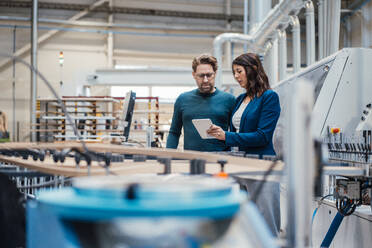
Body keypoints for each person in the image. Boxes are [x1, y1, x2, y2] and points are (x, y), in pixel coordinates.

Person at [207, 53, 281, 236]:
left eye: (239, 71)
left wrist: (228, 136)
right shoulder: (240, 99)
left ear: (253, 69)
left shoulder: (269, 97)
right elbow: (236, 132)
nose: (236, 76)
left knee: (266, 222)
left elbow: (262, 136)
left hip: (261, 164)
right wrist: (221, 134)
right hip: (240, 163)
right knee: (245, 221)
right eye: (234, 73)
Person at [166, 54, 235, 151]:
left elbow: (236, 134)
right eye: (201, 76)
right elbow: (174, 132)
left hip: (220, 161)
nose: (205, 80)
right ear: (194, 75)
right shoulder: (183, 99)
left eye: (209, 75)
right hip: (191, 160)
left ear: (215, 73)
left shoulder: (229, 100)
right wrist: (168, 155)